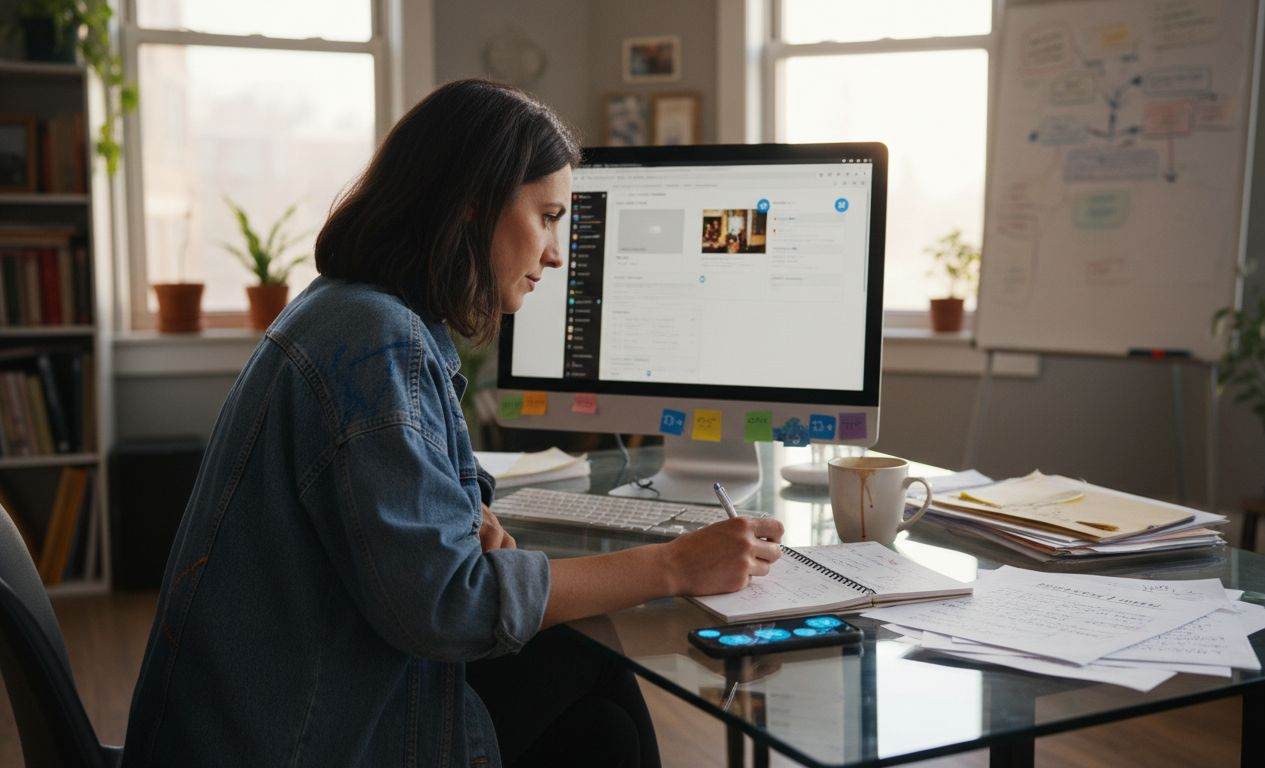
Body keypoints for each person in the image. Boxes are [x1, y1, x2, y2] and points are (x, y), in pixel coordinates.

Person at [122, 79, 784, 768]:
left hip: (285, 714)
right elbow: (450, 605)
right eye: (549, 216)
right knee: (595, 683)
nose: (557, 254)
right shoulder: (378, 342)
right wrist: (674, 563)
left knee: (599, 723)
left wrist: (464, 521)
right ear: (471, 207)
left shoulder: (354, 314)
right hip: (293, 744)